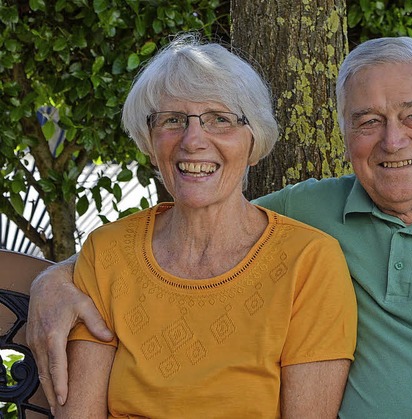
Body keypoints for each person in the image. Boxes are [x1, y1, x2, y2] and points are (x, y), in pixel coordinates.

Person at [28, 36, 412, 418]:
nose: (393, 140)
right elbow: (203, 213)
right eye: (368, 121)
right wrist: (53, 279)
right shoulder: (310, 216)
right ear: (344, 134)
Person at [45, 34, 357, 418]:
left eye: (219, 120)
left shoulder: (309, 262)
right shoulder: (107, 252)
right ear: (150, 141)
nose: (193, 141)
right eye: (172, 120)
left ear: (253, 142)